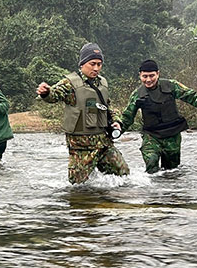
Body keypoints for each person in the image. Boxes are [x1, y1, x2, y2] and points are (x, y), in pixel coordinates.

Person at [36, 43, 130, 184]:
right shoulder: (70, 84)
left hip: (104, 143)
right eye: (92, 64)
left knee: (123, 176)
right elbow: (54, 95)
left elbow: (107, 107)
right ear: (82, 64)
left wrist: (116, 121)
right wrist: (46, 92)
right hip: (81, 147)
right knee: (77, 187)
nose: (96, 68)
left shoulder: (103, 83)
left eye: (99, 64)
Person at [114, 60, 197, 174]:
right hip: (151, 136)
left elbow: (190, 95)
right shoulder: (137, 95)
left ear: (158, 74)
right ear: (140, 76)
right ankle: (152, 191)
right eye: (144, 76)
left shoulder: (171, 85)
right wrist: (117, 130)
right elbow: (127, 117)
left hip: (172, 135)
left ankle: (168, 191)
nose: (148, 80)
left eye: (152, 76)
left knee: (171, 172)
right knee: (151, 163)